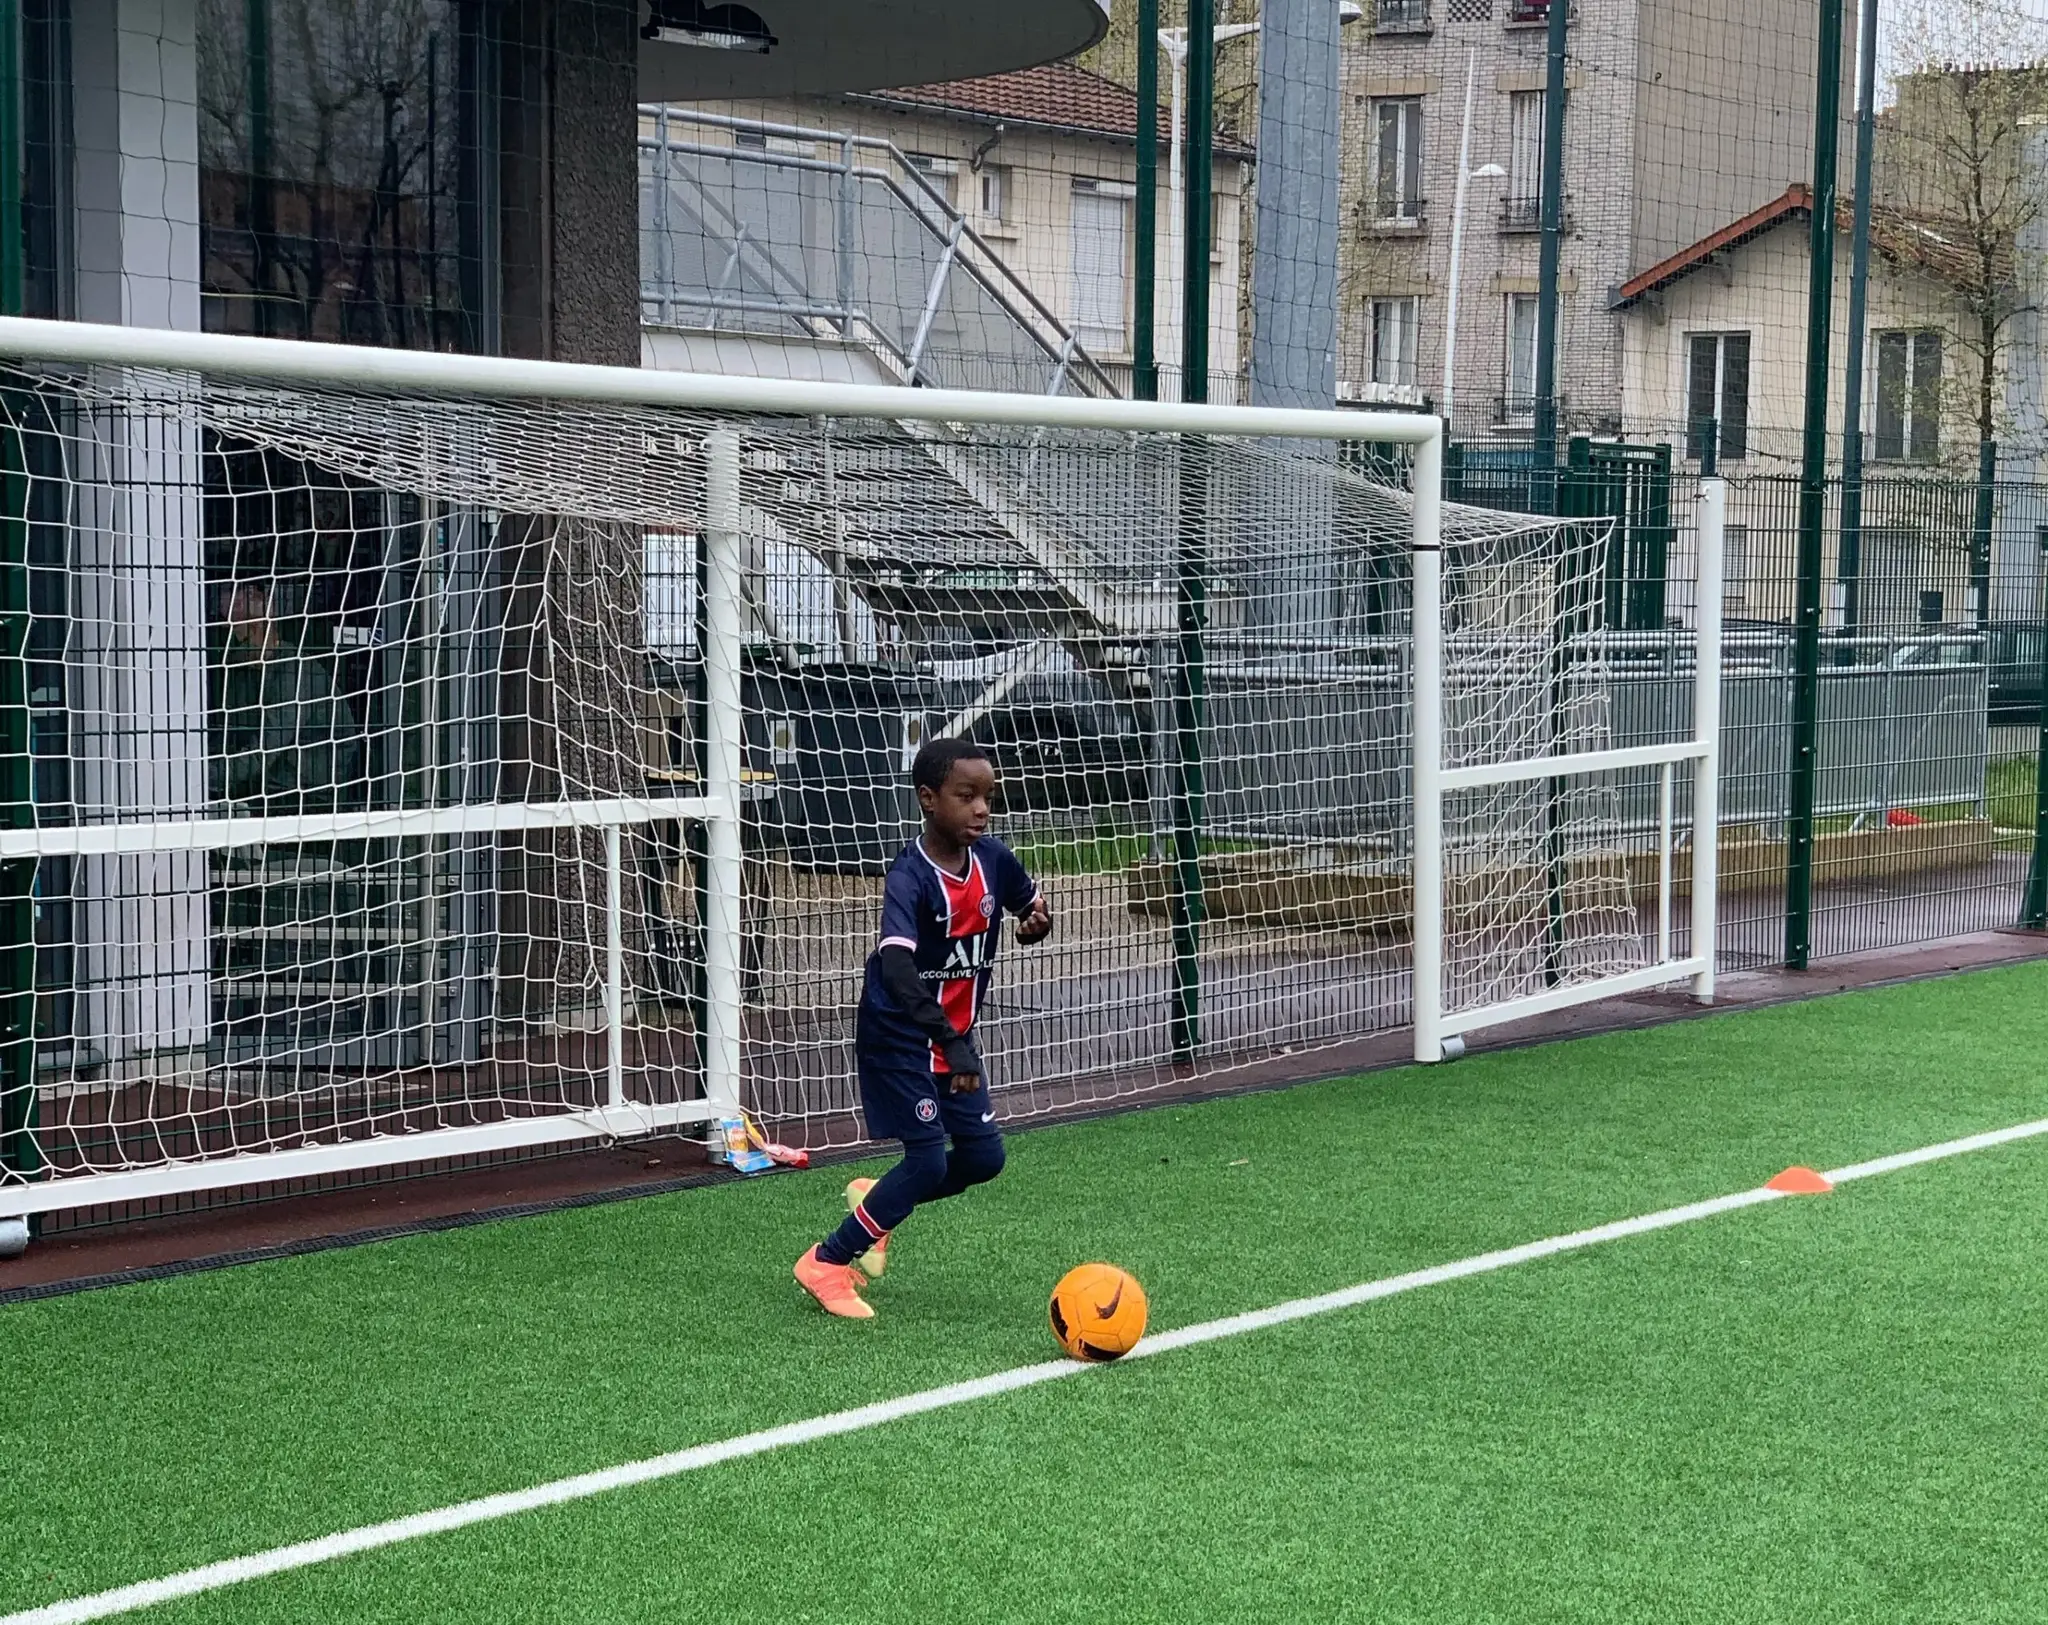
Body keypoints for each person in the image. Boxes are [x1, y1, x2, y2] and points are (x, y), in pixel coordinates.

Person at [794, 737, 1052, 1319]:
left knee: (983, 1159)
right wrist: (950, 1041)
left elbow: (1031, 907)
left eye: (988, 797)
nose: (981, 809)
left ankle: (880, 1203)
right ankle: (826, 1262)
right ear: (928, 799)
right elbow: (897, 967)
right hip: (900, 1035)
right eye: (967, 796)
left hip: (950, 1039)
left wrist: (1037, 923)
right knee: (928, 1160)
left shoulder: (994, 860)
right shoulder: (909, 876)